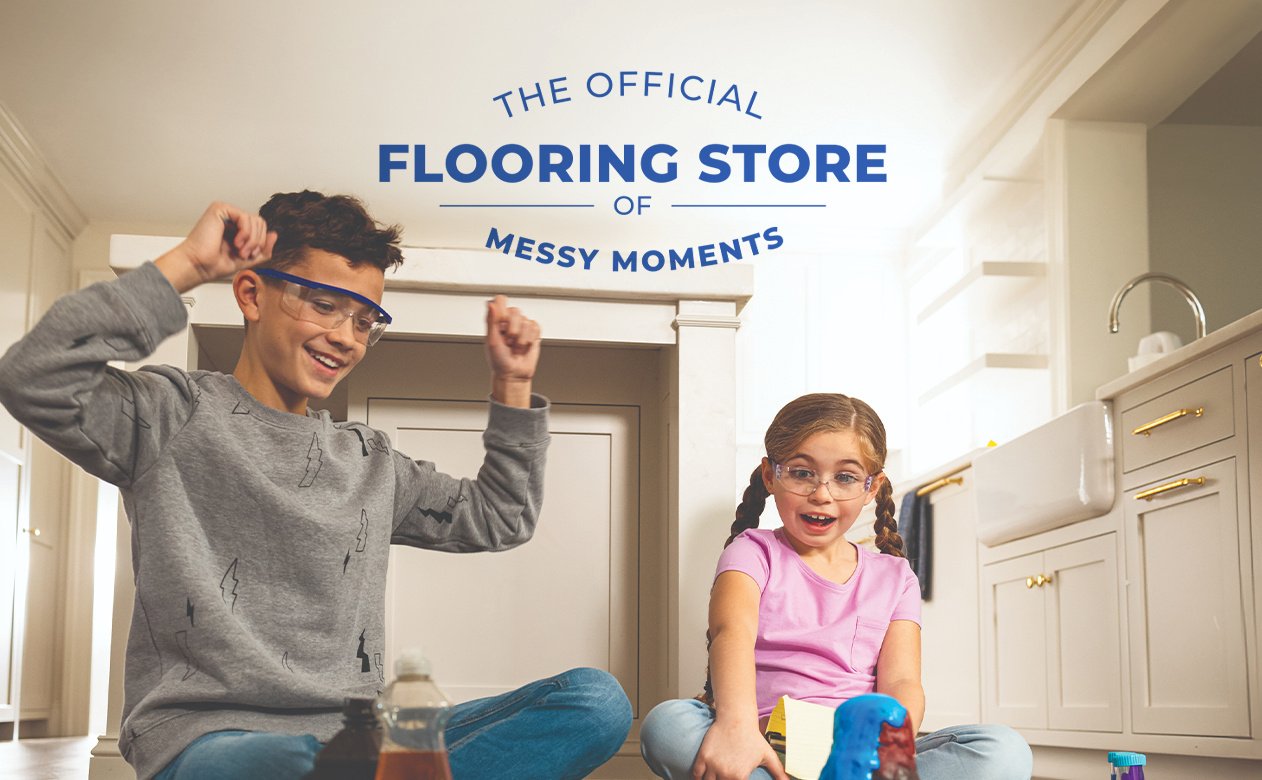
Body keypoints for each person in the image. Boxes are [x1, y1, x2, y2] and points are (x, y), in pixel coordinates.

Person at [0, 192, 631, 780]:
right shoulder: (170, 413)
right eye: (324, 304)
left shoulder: (370, 461)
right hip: (207, 740)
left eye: (364, 320)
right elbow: (33, 377)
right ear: (250, 293)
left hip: (358, 736)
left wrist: (513, 387)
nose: (345, 337)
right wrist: (188, 265)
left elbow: (499, 518)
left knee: (596, 702)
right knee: (313, 763)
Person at [638, 393, 1032, 780]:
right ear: (770, 476)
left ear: (871, 487)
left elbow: (902, 683)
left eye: (844, 477)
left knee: (1001, 750)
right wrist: (736, 727)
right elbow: (732, 634)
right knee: (668, 725)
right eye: (802, 472)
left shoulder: (896, 578)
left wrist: (888, 748)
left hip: (857, 752)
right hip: (760, 743)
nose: (822, 494)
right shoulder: (753, 552)